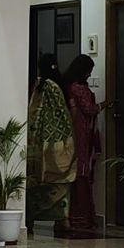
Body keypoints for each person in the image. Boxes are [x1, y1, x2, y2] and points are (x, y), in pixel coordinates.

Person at [26, 55, 76, 234]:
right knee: (61, 179)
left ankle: (30, 218)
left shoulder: (42, 86)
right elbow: (64, 113)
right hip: (59, 140)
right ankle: (62, 220)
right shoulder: (55, 85)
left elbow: (34, 112)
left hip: (41, 142)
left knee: (39, 180)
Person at [61, 54, 103, 238]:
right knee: (82, 172)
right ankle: (82, 217)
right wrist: (104, 105)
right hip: (81, 133)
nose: (89, 75)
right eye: (88, 71)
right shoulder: (78, 89)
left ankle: (71, 216)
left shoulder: (68, 86)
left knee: (77, 173)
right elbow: (89, 109)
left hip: (74, 133)